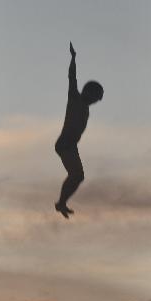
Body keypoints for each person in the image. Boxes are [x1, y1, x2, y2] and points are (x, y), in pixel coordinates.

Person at [55, 42, 103, 218]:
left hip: (71, 145)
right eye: (95, 99)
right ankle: (61, 203)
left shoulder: (85, 106)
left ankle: (61, 203)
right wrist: (73, 58)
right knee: (76, 175)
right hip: (65, 144)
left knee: (78, 176)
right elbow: (72, 77)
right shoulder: (75, 97)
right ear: (89, 93)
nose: (94, 103)